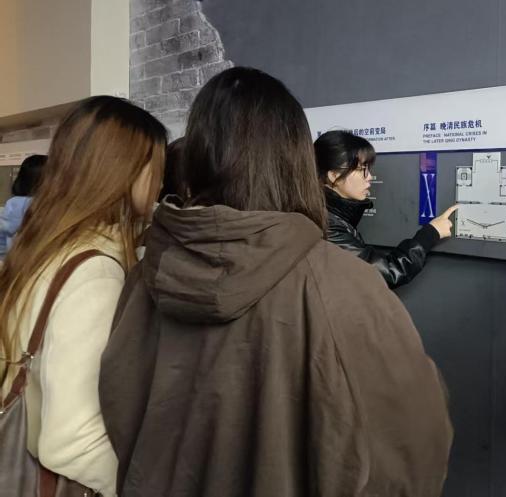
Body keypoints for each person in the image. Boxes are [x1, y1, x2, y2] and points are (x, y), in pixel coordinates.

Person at [100, 67, 453, 497]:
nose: (368, 178)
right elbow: (413, 447)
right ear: (295, 159)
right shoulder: (338, 281)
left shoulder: (147, 273)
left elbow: (119, 404)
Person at [0, 97, 167, 496]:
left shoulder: (44, 245)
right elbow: (73, 439)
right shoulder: (94, 270)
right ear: (122, 171)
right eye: (157, 169)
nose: (161, 183)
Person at [314, 130, 457, 288]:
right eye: (361, 169)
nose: (369, 177)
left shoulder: (329, 215)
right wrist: (430, 234)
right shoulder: (328, 228)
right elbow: (386, 272)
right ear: (334, 175)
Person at [0, 154, 47, 257]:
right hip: (40, 258)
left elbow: (4, 231)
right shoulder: (48, 203)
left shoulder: (14, 203)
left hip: (15, 258)